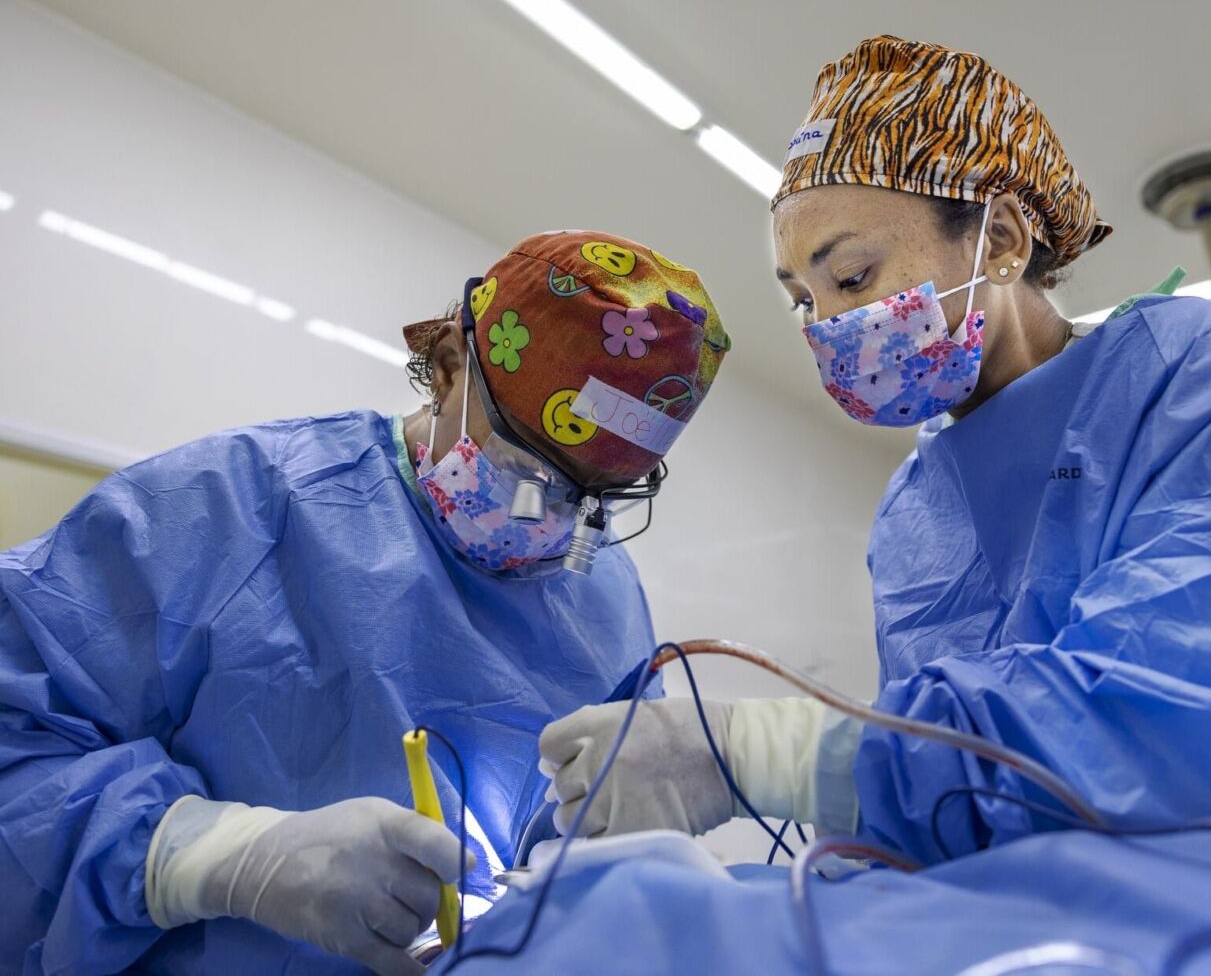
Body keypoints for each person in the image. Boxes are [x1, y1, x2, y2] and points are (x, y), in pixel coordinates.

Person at [540, 36, 1211, 864]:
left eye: (851, 276)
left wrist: (768, 753)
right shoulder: (913, 511)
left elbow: (1208, 709)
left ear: (1003, 239)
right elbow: (958, 806)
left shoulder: (1190, 375)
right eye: (806, 300)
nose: (830, 326)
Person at [0, 229, 730, 975]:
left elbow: (601, 820)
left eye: (596, 502)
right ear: (449, 368)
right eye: (525, 472)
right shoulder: (237, 505)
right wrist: (216, 856)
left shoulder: (603, 591)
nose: (549, 523)